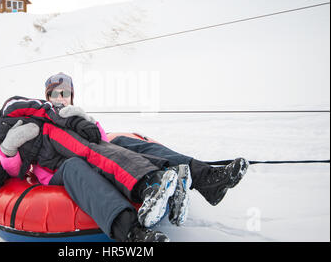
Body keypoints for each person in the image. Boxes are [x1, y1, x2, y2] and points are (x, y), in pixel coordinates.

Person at [0, 90, 190, 242]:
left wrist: (78, 120)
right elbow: (15, 173)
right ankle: (132, 232)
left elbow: (48, 111)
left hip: (64, 145)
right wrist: (8, 151)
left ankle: (160, 183)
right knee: (77, 167)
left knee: (99, 153)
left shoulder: (13, 107)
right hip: (48, 170)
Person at [43, 72, 250, 219]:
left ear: (72, 96)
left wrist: (87, 122)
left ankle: (206, 177)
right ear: (47, 98)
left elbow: (103, 142)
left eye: (65, 93)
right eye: (54, 94)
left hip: (99, 155)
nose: (60, 98)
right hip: (67, 170)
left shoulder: (81, 118)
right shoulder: (43, 121)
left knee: (124, 143)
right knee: (105, 155)